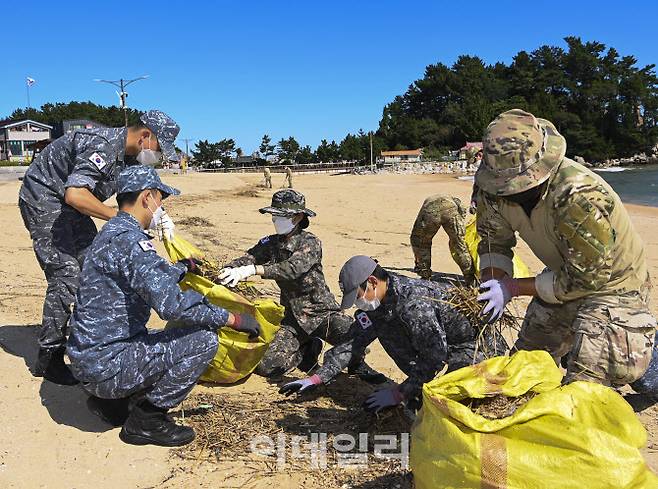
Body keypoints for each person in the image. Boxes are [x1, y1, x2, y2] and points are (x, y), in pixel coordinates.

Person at [67, 165, 261, 447]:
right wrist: (232, 319)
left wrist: (181, 268)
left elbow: (142, 276)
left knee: (150, 338)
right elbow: (173, 306)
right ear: (147, 197)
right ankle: (147, 420)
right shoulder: (132, 242)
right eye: (161, 200)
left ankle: (111, 404)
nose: (161, 208)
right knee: (203, 340)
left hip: (88, 361)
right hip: (106, 367)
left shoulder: (112, 232)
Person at [474, 108, 656, 391]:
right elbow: (492, 240)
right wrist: (493, 281)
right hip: (562, 274)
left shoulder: (578, 195)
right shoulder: (492, 188)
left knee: (584, 387)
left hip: (613, 285)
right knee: (525, 365)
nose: (509, 191)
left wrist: (512, 288)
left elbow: (588, 279)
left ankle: (646, 358)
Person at [18, 110, 179, 385]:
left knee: (96, 262)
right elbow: (75, 194)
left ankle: (91, 335)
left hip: (73, 206)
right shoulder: (101, 145)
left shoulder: (129, 159)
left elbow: (139, 195)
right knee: (66, 275)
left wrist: (158, 215)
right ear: (145, 136)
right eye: (159, 147)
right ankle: (50, 356)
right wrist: (121, 218)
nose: (160, 155)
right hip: (46, 199)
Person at [280, 256, 506, 412]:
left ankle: (418, 391)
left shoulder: (414, 304)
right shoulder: (380, 302)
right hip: (441, 343)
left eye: (358, 295)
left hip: (476, 346)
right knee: (385, 328)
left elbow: (434, 356)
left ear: (372, 282)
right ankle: (419, 390)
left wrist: (399, 394)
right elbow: (352, 343)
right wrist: (316, 378)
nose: (358, 302)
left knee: (454, 402)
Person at [218, 190, 384, 383]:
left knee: (355, 335)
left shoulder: (310, 242)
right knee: (267, 365)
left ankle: (357, 365)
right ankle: (307, 351)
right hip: (292, 320)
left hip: (322, 313)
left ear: (298, 217)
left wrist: (253, 270)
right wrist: (230, 269)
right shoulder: (270, 243)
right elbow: (249, 257)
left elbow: (292, 268)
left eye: (281, 216)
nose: (275, 220)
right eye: (274, 215)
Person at [410, 194, 475, 283]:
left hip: (432, 209)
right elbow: (462, 214)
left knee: (420, 241)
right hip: (451, 210)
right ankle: (470, 278)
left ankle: (424, 273)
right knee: (459, 245)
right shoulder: (457, 203)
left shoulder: (433, 200)